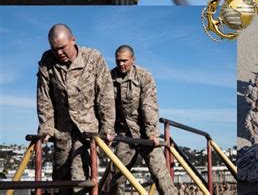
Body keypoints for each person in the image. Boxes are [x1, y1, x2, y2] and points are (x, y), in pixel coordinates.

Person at [36, 24, 115, 193]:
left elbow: (105, 95)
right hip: (62, 129)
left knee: (79, 176)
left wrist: (107, 127)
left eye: (63, 48)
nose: (59, 53)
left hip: (87, 130)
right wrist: (46, 127)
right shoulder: (47, 61)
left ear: (73, 40)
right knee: (60, 178)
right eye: (54, 49)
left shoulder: (93, 58)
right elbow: (44, 97)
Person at [109, 45, 176, 195]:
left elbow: (149, 104)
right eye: (118, 60)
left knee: (161, 176)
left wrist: (152, 132)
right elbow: (105, 106)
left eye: (124, 60)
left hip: (145, 133)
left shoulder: (144, 76)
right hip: (124, 135)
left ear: (133, 60)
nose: (121, 64)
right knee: (116, 177)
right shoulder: (109, 77)